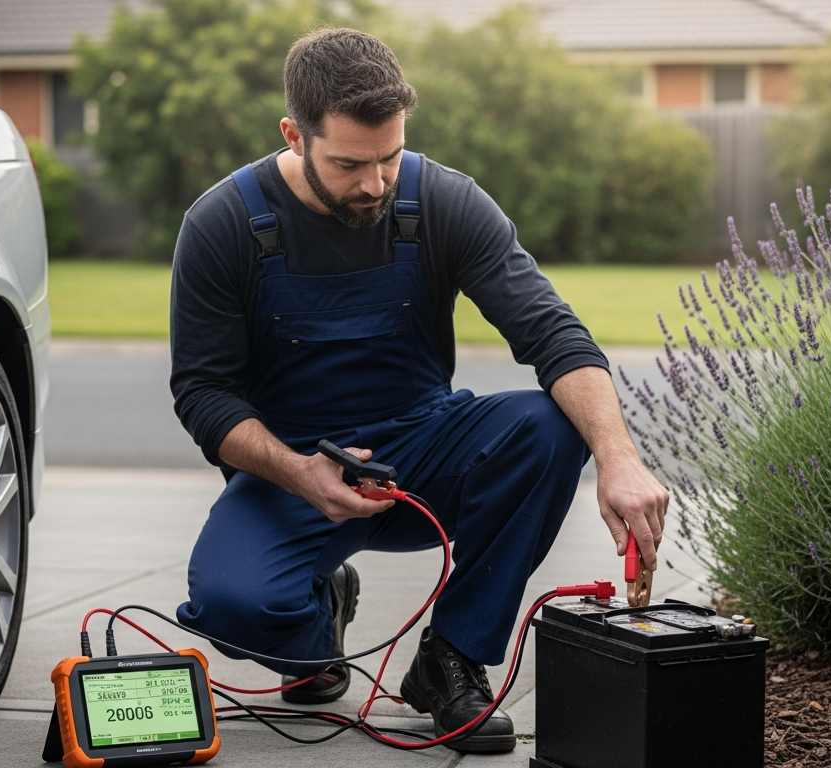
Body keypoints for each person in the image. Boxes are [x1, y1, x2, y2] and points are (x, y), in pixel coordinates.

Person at [169, 28, 669, 754]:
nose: (375, 184)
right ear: (294, 135)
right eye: (349, 164)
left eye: (390, 157)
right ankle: (318, 614)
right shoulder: (222, 224)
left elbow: (553, 333)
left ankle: (451, 658)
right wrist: (301, 474)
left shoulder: (442, 201)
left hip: (423, 457)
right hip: (294, 471)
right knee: (232, 607)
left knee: (550, 426)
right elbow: (203, 394)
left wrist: (618, 458)